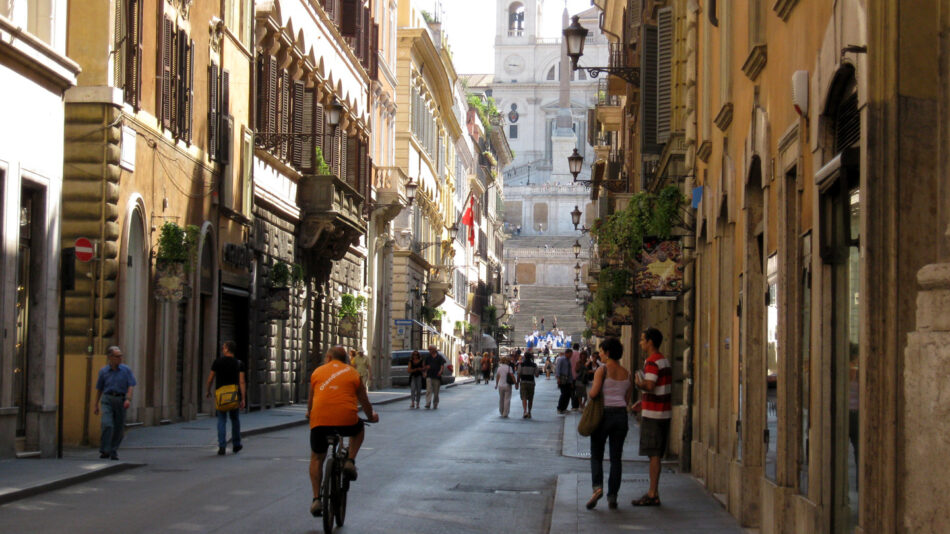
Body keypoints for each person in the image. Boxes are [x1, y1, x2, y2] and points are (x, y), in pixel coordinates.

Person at [307, 346, 379, 517]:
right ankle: (350, 461)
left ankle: (316, 499)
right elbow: (364, 401)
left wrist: (309, 413)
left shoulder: (317, 372)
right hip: (346, 420)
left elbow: (311, 400)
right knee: (359, 429)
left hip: (320, 422)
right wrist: (371, 416)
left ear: (329, 357)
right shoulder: (353, 373)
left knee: (317, 457)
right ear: (345, 359)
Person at [585, 337, 632, 510]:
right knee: (616, 458)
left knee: (596, 455)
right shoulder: (627, 373)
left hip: (603, 415)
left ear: (608, 352)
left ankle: (597, 488)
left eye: (602, 352)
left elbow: (594, 393)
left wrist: (591, 392)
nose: (600, 355)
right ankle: (613, 496)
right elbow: (626, 400)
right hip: (621, 417)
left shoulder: (601, 371)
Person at [631, 327, 672, 507]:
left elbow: (649, 385)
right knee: (656, 454)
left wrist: (638, 383)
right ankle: (653, 491)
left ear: (650, 342)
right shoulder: (664, 361)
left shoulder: (652, 362)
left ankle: (652, 493)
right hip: (662, 411)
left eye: (642, 340)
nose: (641, 343)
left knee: (654, 454)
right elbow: (660, 389)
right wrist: (642, 403)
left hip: (654, 415)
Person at [93, 346, 137, 460]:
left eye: (121, 356)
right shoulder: (103, 371)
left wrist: (128, 399)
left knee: (118, 428)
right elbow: (100, 388)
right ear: (110, 357)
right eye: (117, 356)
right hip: (107, 399)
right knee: (107, 424)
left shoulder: (126, 370)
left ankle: (113, 450)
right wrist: (95, 404)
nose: (120, 358)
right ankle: (105, 449)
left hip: (121, 400)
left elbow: (131, 385)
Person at [205, 341, 247, 455]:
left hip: (221, 395)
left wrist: (208, 390)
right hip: (234, 395)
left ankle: (222, 446)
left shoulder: (217, 362)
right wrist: (243, 398)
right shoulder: (239, 364)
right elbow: (242, 382)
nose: (222, 349)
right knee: (235, 419)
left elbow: (210, 378)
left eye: (223, 347)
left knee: (221, 419)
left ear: (227, 349)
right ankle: (236, 444)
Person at [517, 352, 538, 418]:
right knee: (530, 398)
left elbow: (519, 374)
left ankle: (525, 411)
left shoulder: (521, 365)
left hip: (523, 382)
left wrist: (517, 383)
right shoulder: (534, 365)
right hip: (531, 383)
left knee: (524, 397)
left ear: (525, 357)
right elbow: (537, 375)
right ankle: (529, 412)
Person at [555, 349, 574, 414]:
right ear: (567, 353)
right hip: (562, 379)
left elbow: (570, 372)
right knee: (564, 394)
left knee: (568, 394)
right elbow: (558, 369)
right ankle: (560, 408)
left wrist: (571, 381)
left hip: (567, 379)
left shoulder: (568, 360)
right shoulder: (561, 359)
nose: (571, 356)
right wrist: (558, 378)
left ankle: (564, 408)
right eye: (570, 354)